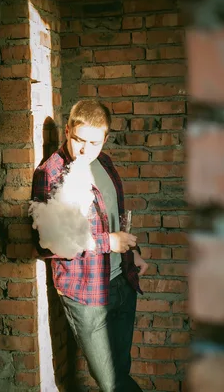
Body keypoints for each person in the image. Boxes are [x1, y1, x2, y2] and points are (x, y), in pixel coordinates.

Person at [31, 100, 149, 392]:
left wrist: (131, 251)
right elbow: (47, 244)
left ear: (105, 138)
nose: (85, 150)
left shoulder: (104, 162)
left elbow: (113, 216)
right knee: (111, 384)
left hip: (122, 280)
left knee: (121, 371)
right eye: (78, 140)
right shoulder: (50, 173)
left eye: (94, 142)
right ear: (68, 130)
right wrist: (109, 242)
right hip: (86, 292)